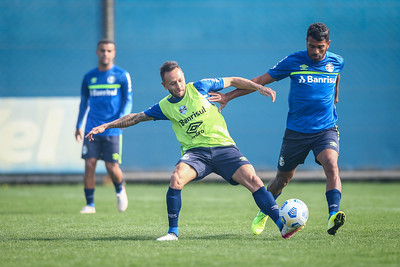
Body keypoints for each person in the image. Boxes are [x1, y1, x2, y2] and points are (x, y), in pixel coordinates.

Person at [85, 61, 302, 241]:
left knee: (254, 181)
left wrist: (258, 87)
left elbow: (233, 80)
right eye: (172, 83)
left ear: (183, 77)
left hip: (224, 147)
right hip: (196, 154)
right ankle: (173, 232)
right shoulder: (164, 106)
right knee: (176, 178)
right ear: (164, 85)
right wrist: (106, 125)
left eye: (180, 80)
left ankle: (282, 226)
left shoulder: (200, 87)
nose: (178, 85)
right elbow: (136, 117)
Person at [209, 22, 346, 236]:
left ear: (328, 44)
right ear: (306, 43)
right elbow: (259, 81)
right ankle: (264, 212)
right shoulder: (294, 61)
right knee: (282, 179)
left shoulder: (337, 62)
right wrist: (228, 96)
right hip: (296, 133)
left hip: (325, 129)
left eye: (321, 47)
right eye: (312, 46)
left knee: (332, 164)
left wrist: (335, 96)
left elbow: (336, 77)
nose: (316, 51)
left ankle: (333, 216)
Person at [75, 39, 133, 214]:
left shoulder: (122, 75)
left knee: (111, 166)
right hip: (92, 127)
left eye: (109, 51)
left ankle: (120, 189)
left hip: (112, 128)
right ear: (97, 52)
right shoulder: (89, 77)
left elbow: (127, 100)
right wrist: (78, 124)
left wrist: (122, 119)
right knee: (90, 164)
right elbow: (84, 102)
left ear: (114, 53)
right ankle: (90, 204)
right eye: (102, 50)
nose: (105, 54)